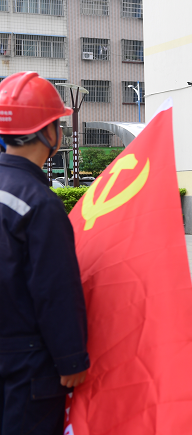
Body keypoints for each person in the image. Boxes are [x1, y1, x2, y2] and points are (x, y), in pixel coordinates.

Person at [0, 71, 90, 435]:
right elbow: (56, 292)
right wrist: (71, 359)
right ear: (47, 131)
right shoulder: (39, 203)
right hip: (27, 364)